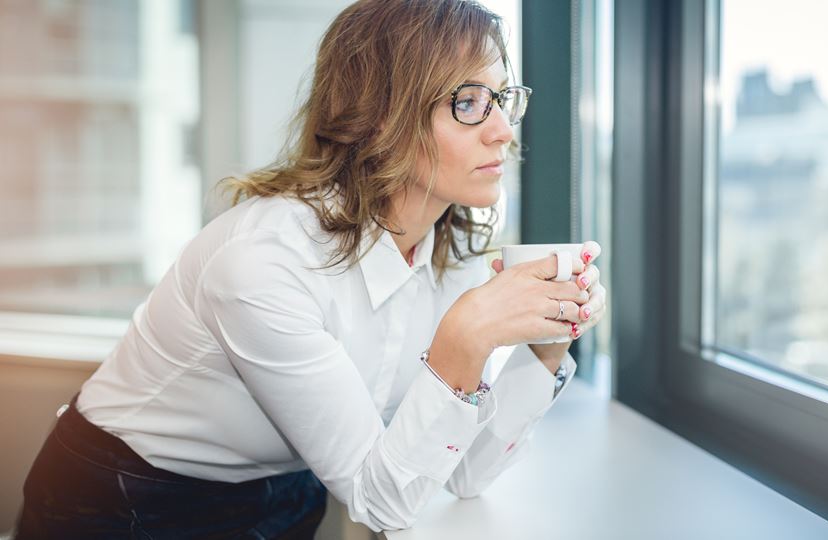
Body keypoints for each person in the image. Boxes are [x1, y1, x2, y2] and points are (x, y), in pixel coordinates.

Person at [15, 0, 607, 537]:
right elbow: (380, 506)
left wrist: (544, 347)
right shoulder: (263, 264)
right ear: (378, 117)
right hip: (126, 498)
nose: (504, 131)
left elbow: (463, 474)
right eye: (469, 102)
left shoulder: (451, 255)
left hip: (288, 490)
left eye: (503, 99)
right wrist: (464, 338)